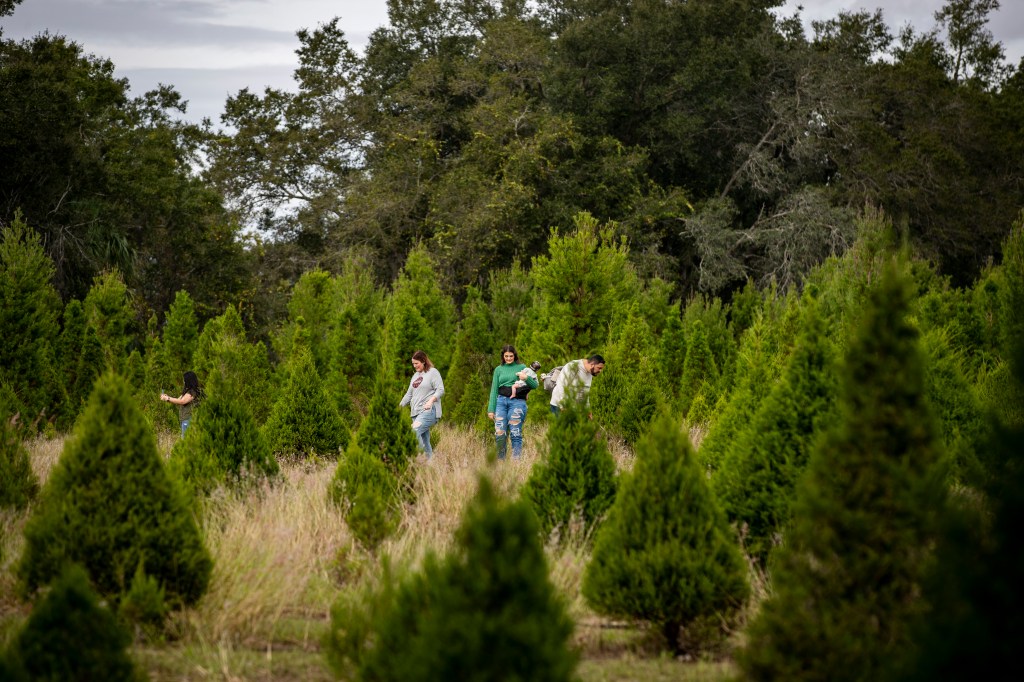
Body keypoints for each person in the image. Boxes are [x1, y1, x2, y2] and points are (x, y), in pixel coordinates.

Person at [487, 345, 538, 460]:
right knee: (500, 433)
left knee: (515, 433)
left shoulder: (522, 367)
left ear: (515, 356)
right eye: (506, 356)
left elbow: (534, 385)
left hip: (517, 402)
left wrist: (526, 378)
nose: (509, 358)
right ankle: (501, 462)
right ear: (503, 356)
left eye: (511, 356)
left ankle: (516, 463)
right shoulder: (498, 369)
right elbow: (494, 390)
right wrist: (491, 409)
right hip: (501, 401)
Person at [399, 350, 445, 459]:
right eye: (413, 364)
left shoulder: (433, 372)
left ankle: (420, 460)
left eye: (417, 363)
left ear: (423, 361)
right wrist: (398, 407)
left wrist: (430, 401)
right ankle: (429, 464)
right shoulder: (415, 376)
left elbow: (440, 389)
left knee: (413, 432)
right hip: (416, 413)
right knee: (425, 441)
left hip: (429, 411)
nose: (414, 366)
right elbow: (409, 394)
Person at [160, 371, 203, 436]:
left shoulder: (193, 392)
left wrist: (167, 398)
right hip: (185, 419)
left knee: (186, 439)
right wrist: (167, 397)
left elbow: (182, 401)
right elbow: (178, 400)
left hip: (189, 419)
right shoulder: (188, 391)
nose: (183, 381)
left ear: (188, 381)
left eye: (184, 380)